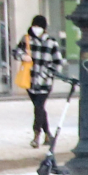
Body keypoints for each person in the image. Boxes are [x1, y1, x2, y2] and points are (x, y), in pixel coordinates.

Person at [21, 14, 65, 148]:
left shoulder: (51, 42)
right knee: (39, 108)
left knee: (39, 107)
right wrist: (23, 55)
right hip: (30, 80)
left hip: (45, 82)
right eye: (34, 26)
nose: (36, 29)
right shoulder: (27, 40)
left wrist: (46, 73)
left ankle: (36, 135)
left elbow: (58, 62)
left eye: (39, 26)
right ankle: (48, 135)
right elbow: (15, 51)